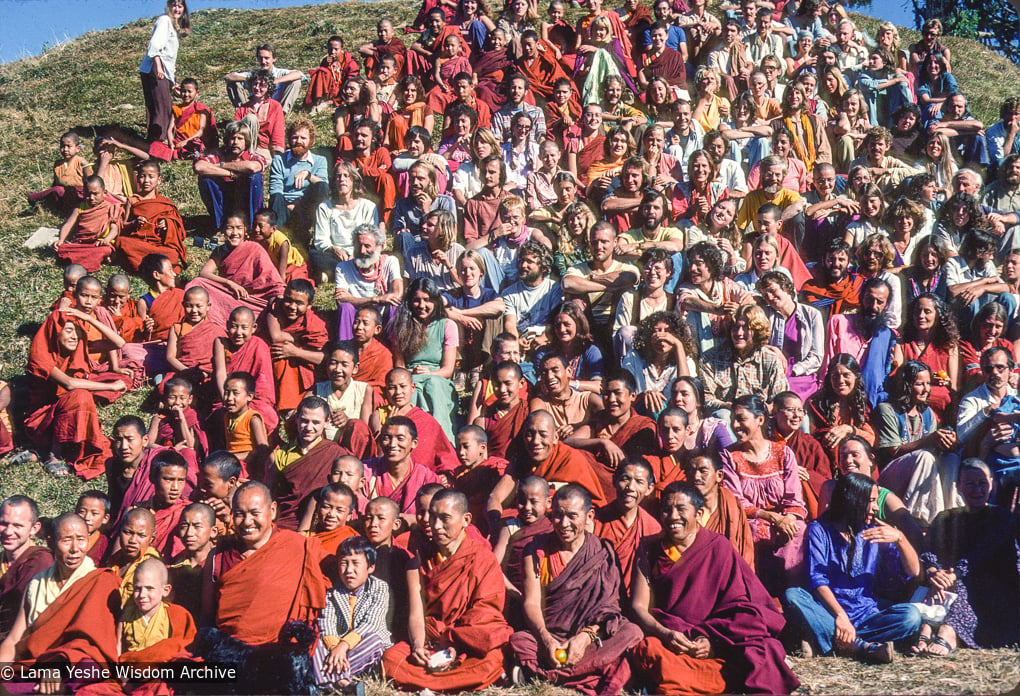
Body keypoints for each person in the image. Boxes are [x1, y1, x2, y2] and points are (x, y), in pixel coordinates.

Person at [631, 481, 799, 695]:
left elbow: (738, 605)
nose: (673, 516)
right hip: (672, 634)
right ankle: (718, 678)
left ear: (699, 513)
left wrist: (713, 643)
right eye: (666, 509)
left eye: (681, 509)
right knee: (649, 649)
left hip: (717, 634)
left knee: (763, 648)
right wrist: (667, 634)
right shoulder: (649, 549)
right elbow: (638, 606)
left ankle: (703, 675)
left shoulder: (718, 546)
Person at [509, 484, 643, 695]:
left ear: (589, 516)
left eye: (572, 516)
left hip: (590, 638)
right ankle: (593, 674)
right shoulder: (535, 549)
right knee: (519, 641)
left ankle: (549, 674)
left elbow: (611, 610)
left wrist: (585, 637)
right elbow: (532, 602)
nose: (564, 524)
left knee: (631, 632)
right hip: (550, 636)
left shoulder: (602, 551)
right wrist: (547, 640)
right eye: (558, 515)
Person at [783, 473, 923, 664]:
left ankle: (840, 642)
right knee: (793, 596)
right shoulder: (820, 529)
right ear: (853, 501)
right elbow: (817, 580)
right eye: (871, 501)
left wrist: (900, 538)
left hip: (867, 613)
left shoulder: (874, 530)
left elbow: (913, 572)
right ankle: (862, 646)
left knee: (911, 616)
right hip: (830, 612)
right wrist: (840, 616)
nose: (876, 507)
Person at [382, 490, 513, 692]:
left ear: (466, 519)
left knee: (491, 657)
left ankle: (429, 680)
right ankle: (451, 679)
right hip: (431, 639)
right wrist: (417, 646)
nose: (435, 526)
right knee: (391, 660)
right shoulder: (417, 562)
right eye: (432, 517)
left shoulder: (483, 558)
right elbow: (416, 614)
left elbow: (486, 612)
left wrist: (456, 642)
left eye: (444, 519)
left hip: (467, 640)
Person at [0, 514, 121, 693]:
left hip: (77, 666)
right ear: (51, 542)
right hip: (37, 667)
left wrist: (59, 664)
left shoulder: (102, 582)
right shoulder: (37, 584)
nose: (75, 549)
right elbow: (14, 640)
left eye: (81, 540)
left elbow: (96, 645)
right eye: (66, 540)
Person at [201, 481, 327, 645]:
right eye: (239, 514)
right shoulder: (218, 556)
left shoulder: (298, 546)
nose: (247, 522)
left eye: (255, 513)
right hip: (230, 648)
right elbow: (207, 617)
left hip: (280, 650)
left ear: (272, 510)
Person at [918, 459, 1020, 655]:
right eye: (971, 484)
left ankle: (947, 633)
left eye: (982, 484)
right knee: (939, 586)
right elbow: (929, 548)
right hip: (951, 580)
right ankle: (928, 630)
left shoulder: (1001, 517)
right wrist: (934, 572)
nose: (977, 490)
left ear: (991, 484)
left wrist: (954, 575)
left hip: (998, 586)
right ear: (959, 487)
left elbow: (981, 553)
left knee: (964, 586)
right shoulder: (946, 517)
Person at [24, 310, 127, 479]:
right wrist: (111, 387)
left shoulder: (78, 347)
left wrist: (88, 318)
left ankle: (42, 451)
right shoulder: (40, 355)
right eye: (68, 330)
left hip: (66, 416)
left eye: (77, 332)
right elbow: (69, 383)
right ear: (56, 332)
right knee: (80, 395)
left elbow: (119, 343)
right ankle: (53, 455)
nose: (74, 337)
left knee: (81, 396)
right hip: (42, 421)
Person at [722, 394, 807, 594]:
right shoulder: (730, 456)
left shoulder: (783, 453)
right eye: (733, 420)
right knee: (748, 531)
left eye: (741, 419)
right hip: (751, 518)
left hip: (784, 517)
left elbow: (794, 497)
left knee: (798, 530)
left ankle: (792, 594)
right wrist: (769, 517)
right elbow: (735, 499)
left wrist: (786, 518)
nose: (735, 425)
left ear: (760, 420)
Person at [312, 536, 391, 690]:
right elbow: (326, 621)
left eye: (355, 563)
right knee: (315, 642)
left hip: (362, 643)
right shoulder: (332, 590)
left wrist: (343, 646)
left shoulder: (379, 587)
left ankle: (326, 680)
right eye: (343, 563)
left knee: (375, 642)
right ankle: (343, 683)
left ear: (370, 568)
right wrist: (335, 647)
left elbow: (371, 623)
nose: (349, 570)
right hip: (335, 646)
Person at [567, 372, 658, 495]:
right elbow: (568, 442)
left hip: (625, 490)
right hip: (592, 485)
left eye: (617, 393)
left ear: (633, 396)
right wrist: (602, 442)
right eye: (606, 394)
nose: (611, 399)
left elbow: (636, 469)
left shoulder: (644, 426)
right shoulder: (601, 419)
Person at [390, 278, 459, 441]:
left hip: (438, 378)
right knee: (412, 389)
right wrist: (410, 373)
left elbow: (448, 370)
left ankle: (443, 440)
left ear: (435, 301)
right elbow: (399, 366)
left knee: (433, 385)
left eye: (427, 300)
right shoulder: (401, 326)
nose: (422, 306)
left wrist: (431, 373)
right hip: (411, 376)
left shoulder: (448, 325)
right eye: (416, 300)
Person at [822, 278, 897, 408]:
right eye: (869, 299)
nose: (874, 306)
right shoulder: (838, 322)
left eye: (880, 302)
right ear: (861, 298)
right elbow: (827, 366)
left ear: (886, 304)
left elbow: (886, 375)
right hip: (837, 396)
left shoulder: (887, 335)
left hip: (871, 401)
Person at [592, 457, 660, 593]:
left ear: (649, 489)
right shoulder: (596, 520)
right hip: (596, 598)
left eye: (639, 482)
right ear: (614, 481)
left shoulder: (653, 528)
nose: (630, 487)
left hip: (634, 602)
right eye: (625, 479)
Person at [262, 279, 329, 414]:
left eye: (299, 303)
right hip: (273, 359)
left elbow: (324, 358)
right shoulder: (276, 308)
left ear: (310, 305)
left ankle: (289, 407)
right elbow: (275, 336)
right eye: (289, 300)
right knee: (278, 348)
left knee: (283, 349)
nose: (292, 307)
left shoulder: (314, 324)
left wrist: (295, 352)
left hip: (304, 364)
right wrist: (298, 339)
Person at [213, 306, 279, 434]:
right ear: (227, 325)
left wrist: (244, 404)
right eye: (234, 326)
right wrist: (227, 400)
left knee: (267, 415)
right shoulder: (221, 343)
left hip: (250, 400)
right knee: (219, 417)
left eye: (244, 328)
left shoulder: (259, 345)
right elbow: (220, 373)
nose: (238, 332)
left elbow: (263, 384)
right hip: (225, 398)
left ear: (254, 328)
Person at [311, 162, 381, 277]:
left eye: (346, 175)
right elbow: (321, 239)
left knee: (374, 255)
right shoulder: (324, 207)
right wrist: (334, 249)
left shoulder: (368, 207)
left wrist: (356, 252)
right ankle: (345, 269)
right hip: (334, 254)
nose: (341, 179)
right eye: (338, 176)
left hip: (361, 252)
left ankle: (335, 272)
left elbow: (372, 237)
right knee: (313, 254)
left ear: (353, 180)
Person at [139, 0, 190, 159]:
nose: (177, 9)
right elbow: (154, 47)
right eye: (174, 5)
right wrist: (159, 68)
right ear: (169, 7)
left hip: (162, 71)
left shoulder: (173, 26)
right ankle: (158, 146)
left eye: (180, 6)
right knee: (162, 108)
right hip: (155, 68)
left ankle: (154, 145)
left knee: (160, 107)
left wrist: (172, 80)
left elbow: (170, 57)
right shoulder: (165, 21)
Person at [334, 223, 403, 339]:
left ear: (380, 247)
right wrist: (376, 299)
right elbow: (340, 299)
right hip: (356, 319)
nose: (362, 251)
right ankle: (345, 351)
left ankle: (395, 352)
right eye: (358, 245)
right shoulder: (343, 267)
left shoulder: (390, 262)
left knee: (394, 305)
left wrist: (353, 299)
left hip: (382, 317)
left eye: (367, 246)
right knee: (345, 307)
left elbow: (397, 294)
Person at [194, 121, 267, 230]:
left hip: (245, 202)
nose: (235, 142)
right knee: (205, 179)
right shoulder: (219, 154)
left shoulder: (253, 156)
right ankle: (220, 225)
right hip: (226, 200)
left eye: (240, 138)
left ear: (246, 141)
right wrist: (230, 174)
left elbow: (252, 167)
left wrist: (222, 165)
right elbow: (199, 167)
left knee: (255, 178)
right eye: (232, 138)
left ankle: (253, 226)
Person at [0, 497, 52, 637]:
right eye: (4, 524)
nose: (8, 532)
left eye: (17, 526)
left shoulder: (42, 562)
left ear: (34, 528)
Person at [268, 118, 329, 233]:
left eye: (303, 138)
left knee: (321, 186)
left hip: (305, 206)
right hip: (283, 205)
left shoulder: (320, 161)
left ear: (310, 141)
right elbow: (275, 189)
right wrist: (289, 205)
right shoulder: (279, 160)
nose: (298, 141)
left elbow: (323, 186)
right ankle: (278, 235)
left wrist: (308, 175)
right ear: (289, 139)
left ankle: (316, 233)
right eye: (295, 137)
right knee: (276, 196)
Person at [53, 174, 119, 272]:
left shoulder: (110, 207)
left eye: (95, 193)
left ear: (104, 192)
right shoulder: (80, 207)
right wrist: (61, 240)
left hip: (100, 244)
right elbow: (68, 224)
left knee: (105, 250)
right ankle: (95, 259)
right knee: (61, 248)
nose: (91, 198)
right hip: (82, 243)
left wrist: (107, 239)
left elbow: (115, 228)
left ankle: (81, 260)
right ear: (83, 193)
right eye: (88, 194)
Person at [226, 43, 304, 114]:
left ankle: (282, 114)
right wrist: (249, 79)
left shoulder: (280, 73)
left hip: (275, 109)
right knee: (233, 83)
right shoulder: (254, 74)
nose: (263, 61)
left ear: (274, 59)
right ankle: (244, 113)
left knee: (296, 82)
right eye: (260, 58)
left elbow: (299, 74)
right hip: (254, 108)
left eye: (267, 58)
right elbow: (228, 77)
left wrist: (276, 81)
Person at [27, 131, 89, 214]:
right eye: (63, 146)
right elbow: (55, 183)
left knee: (58, 190)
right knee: (57, 190)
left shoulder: (82, 163)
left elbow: (90, 182)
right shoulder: (58, 164)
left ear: (78, 148)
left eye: (69, 146)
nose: (65, 149)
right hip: (62, 196)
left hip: (79, 196)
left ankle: (35, 198)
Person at [233, 69, 286, 161]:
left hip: (263, 150)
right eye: (255, 84)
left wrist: (278, 158)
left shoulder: (275, 107)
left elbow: (278, 136)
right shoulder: (243, 108)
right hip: (243, 149)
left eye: (262, 85)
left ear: (268, 87)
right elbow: (233, 131)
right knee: (250, 118)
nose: (257, 88)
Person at [171, 77, 218, 159]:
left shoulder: (201, 109)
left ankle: (188, 154)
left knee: (196, 144)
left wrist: (186, 142)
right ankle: (184, 153)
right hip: (179, 142)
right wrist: (171, 142)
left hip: (193, 141)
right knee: (156, 146)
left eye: (189, 91)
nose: (186, 94)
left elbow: (201, 131)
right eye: (183, 91)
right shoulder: (176, 108)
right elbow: (169, 129)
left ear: (197, 93)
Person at [76, 490, 111, 563]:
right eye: (82, 512)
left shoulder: (105, 546)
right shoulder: (66, 537)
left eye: (94, 513)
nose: (87, 518)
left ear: (105, 518)